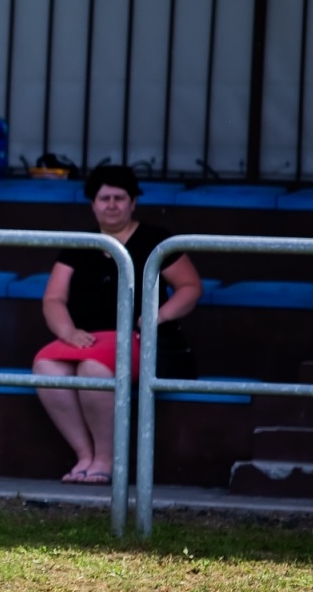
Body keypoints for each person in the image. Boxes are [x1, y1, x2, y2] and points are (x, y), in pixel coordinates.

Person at [32, 165, 202, 484]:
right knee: (46, 366)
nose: (112, 205)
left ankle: (106, 460)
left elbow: (190, 287)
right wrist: (68, 332)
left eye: (119, 198)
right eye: (104, 198)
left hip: (149, 343)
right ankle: (84, 455)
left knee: (93, 369)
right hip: (88, 343)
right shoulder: (77, 245)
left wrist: (157, 316)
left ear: (133, 202)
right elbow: (53, 299)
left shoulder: (156, 240)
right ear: (92, 204)